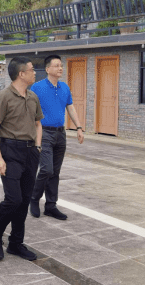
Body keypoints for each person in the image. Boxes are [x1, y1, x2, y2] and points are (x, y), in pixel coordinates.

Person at [0, 57, 43, 262]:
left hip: (30, 153)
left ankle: (15, 243)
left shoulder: (33, 97)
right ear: (21, 74)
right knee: (13, 199)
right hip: (10, 151)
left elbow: (38, 123)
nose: (34, 72)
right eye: (31, 69)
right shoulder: (3, 96)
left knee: (25, 199)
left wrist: (37, 146)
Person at [29, 55, 84, 221]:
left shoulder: (64, 87)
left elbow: (70, 107)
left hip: (61, 133)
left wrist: (79, 127)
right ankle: (34, 198)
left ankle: (51, 206)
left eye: (61, 66)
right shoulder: (37, 88)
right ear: (47, 69)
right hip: (44, 133)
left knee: (55, 172)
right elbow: (30, 110)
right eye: (57, 66)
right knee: (46, 169)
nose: (60, 68)